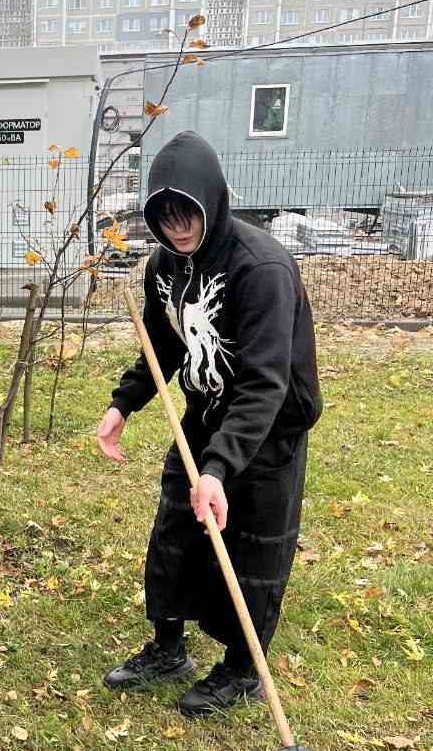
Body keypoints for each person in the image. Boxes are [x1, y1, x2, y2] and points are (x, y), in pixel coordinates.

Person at [96, 131, 322, 717]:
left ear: (213, 200)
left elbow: (265, 381)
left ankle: (243, 669)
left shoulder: (261, 267)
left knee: (253, 545)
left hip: (269, 425)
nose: (177, 228)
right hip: (203, 414)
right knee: (176, 526)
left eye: (186, 212)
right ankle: (169, 647)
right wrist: (124, 405)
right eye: (163, 216)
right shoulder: (164, 269)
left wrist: (220, 468)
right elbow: (163, 347)